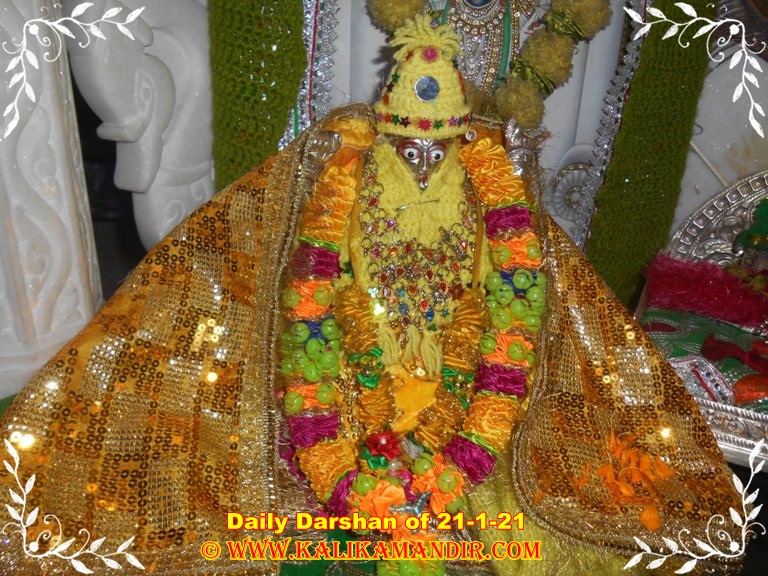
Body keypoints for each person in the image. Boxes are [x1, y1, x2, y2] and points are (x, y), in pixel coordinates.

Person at [0, 16, 743, 576]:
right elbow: (314, 293)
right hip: (354, 380)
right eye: (408, 147)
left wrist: (474, 398)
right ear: (386, 132)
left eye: (436, 148)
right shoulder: (345, 183)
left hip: (464, 384)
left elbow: (516, 305)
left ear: (459, 140)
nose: (421, 162)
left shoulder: (489, 197)